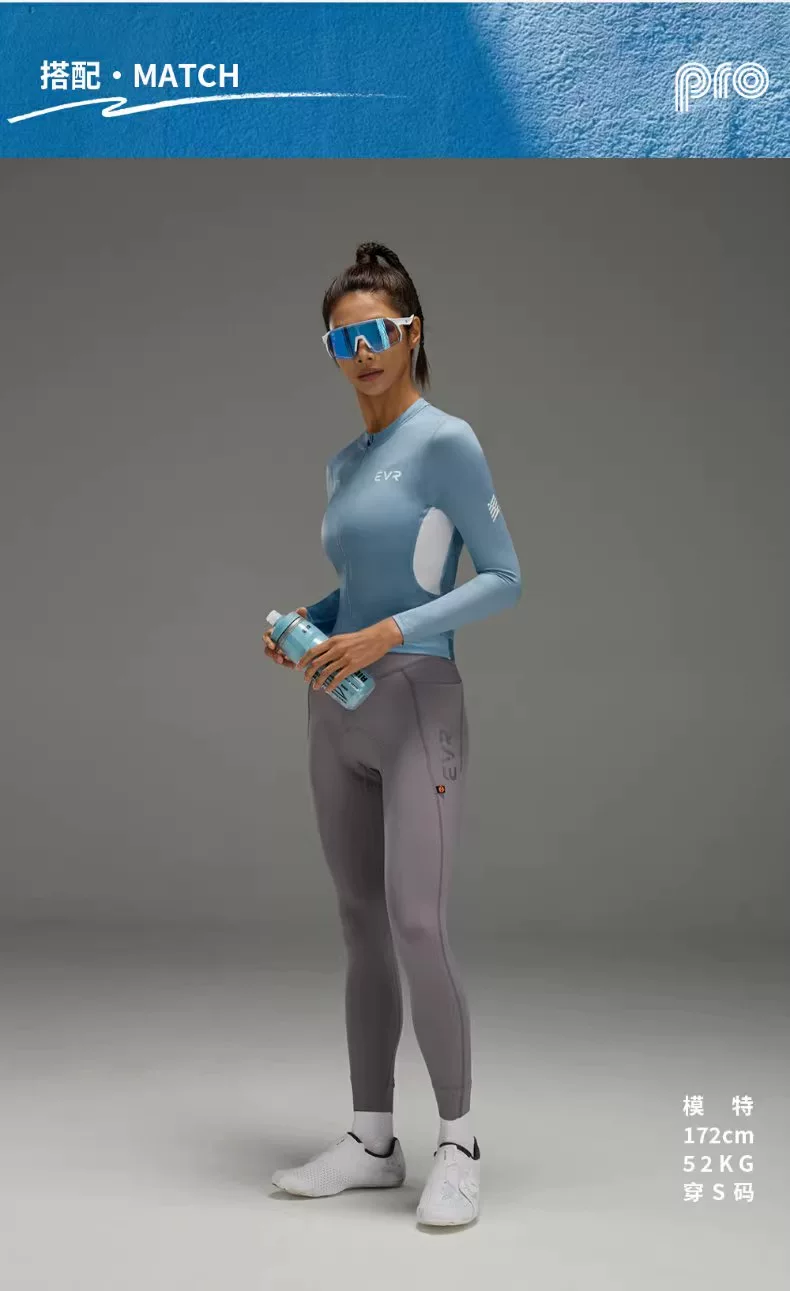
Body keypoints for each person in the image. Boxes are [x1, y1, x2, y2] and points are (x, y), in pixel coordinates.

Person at [262, 242, 521, 1226]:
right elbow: (363, 588)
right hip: (337, 707)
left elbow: (502, 578)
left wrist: (385, 633)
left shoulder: (446, 441)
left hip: (416, 704)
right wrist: (314, 620)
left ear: (411, 333)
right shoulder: (345, 462)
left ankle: (459, 1141)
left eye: (376, 332)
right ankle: (373, 1139)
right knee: (359, 921)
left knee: (417, 921)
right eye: (343, 340)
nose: (361, 352)